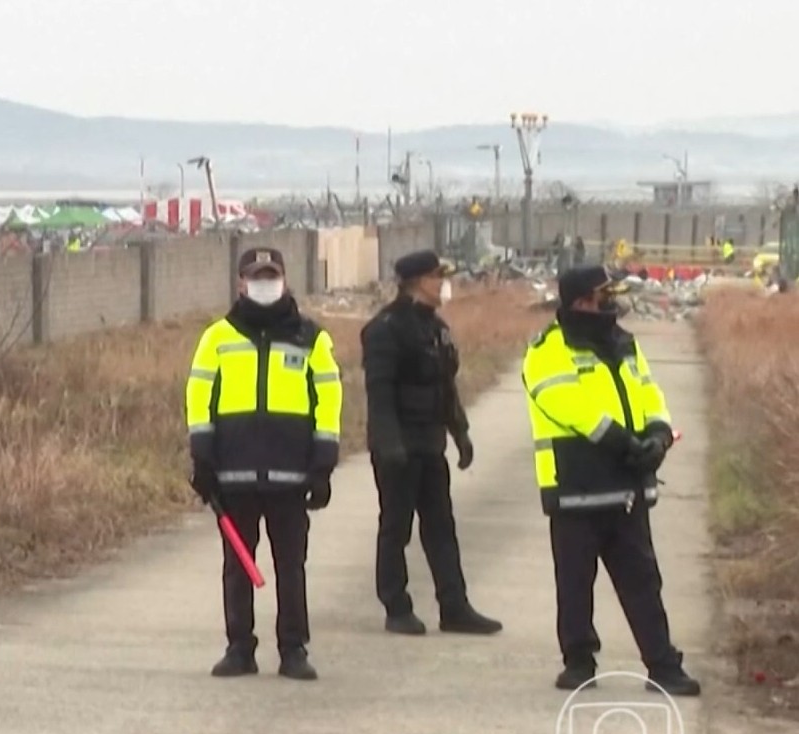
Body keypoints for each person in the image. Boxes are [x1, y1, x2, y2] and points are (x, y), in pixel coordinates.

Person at [521, 265, 699, 695]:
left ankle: (662, 665)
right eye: (604, 295)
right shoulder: (548, 349)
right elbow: (567, 405)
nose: (612, 301)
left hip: (628, 483)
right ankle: (579, 662)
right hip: (576, 483)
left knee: (642, 580)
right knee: (576, 582)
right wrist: (623, 443)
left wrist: (657, 433)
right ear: (582, 300)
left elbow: (646, 390)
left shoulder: (623, 342)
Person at [186, 246, 343, 681]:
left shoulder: (312, 338)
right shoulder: (217, 337)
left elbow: (328, 400)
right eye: (256, 276)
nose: (264, 282)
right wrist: (202, 456)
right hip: (233, 473)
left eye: (271, 274)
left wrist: (323, 464)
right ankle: (239, 648)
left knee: (291, 567)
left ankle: (293, 649)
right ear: (240, 283)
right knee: (237, 567)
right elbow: (199, 398)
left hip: (291, 474)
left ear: (285, 279)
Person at [361, 250, 502, 637]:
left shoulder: (435, 328)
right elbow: (379, 392)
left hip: (429, 441)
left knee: (441, 526)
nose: (444, 284)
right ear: (419, 281)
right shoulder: (386, 328)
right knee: (397, 526)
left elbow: (445, 387)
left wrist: (460, 432)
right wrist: (388, 442)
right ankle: (396, 605)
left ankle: (454, 607)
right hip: (398, 445)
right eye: (439, 276)